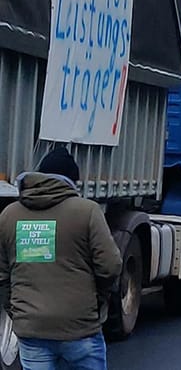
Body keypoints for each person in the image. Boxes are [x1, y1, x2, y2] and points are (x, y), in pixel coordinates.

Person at [0, 147, 122, 370]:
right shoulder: (87, 211)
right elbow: (111, 266)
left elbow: (2, 274)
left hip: (31, 328)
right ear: (72, 182)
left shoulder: (9, 215)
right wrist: (97, 301)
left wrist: (16, 310)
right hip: (79, 327)